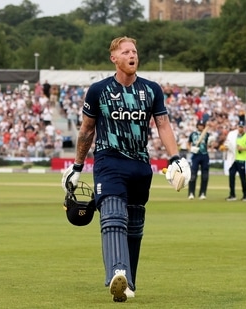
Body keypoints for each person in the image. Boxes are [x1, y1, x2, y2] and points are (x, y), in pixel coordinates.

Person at [61, 36, 190, 303]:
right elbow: (87, 131)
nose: (132, 55)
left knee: (135, 224)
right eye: (126, 51)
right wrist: (77, 166)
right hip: (108, 161)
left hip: (140, 164)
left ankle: (127, 283)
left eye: (135, 51)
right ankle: (117, 272)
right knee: (112, 215)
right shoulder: (98, 90)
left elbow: (163, 125)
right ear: (114, 59)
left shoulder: (152, 89)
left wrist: (175, 157)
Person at [225, 119, 246, 202]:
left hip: (241, 159)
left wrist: (242, 148)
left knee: (242, 178)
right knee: (231, 178)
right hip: (232, 159)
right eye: (239, 126)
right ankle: (232, 194)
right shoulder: (233, 135)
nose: (240, 128)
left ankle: (245, 195)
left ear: (244, 128)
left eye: (242, 127)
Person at [187, 120, 210, 200]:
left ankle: (203, 193)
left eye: (202, 125)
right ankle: (191, 193)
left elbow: (208, 144)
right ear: (197, 126)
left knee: (205, 176)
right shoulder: (193, 134)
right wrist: (191, 149)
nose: (201, 126)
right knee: (193, 175)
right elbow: (188, 143)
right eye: (199, 125)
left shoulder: (207, 134)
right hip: (195, 156)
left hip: (204, 155)